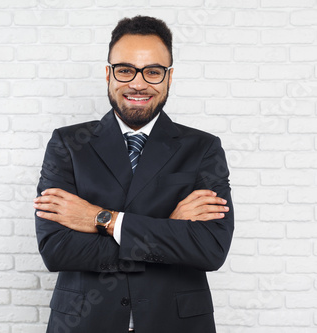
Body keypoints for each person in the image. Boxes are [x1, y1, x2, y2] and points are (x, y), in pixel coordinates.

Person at [33, 16, 234, 333]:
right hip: (85, 323)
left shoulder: (203, 149)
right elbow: (58, 249)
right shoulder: (68, 144)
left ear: (169, 78)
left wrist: (104, 219)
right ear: (108, 75)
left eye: (153, 72)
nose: (138, 83)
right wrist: (170, 230)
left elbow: (210, 249)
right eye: (125, 70)